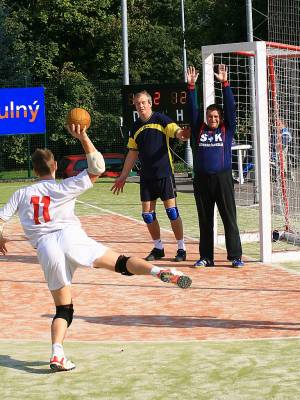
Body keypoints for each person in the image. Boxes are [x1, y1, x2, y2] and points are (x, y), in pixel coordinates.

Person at [0, 124, 192, 372]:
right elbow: (98, 167)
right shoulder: (63, 186)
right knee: (121, 263)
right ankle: (159, 272)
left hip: (46, 249)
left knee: (63, 308)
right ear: (55, 166)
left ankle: (57, 354)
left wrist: (1, 237)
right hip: (71, 239)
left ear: (35, 169)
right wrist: (83, 136)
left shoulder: (21, 193)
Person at [111, 90, 191, 262]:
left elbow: (176, 132)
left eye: (143, 102)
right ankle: (158, 247)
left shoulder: (161, 119)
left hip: (164, 174)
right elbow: (132, 153)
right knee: (147, 215)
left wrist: (182, 135)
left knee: (172, 212)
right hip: (146, 177)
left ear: (150, 103)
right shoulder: (135, 127)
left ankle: (181, 248)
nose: (140, 106)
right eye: (137, 103)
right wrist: (123, 176)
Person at [186, 64, 244, 268]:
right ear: (206, 118)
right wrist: (191, 87)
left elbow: (230, 108)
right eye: (210, 116)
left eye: (216, 117)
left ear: (220, 119)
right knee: (205, 220)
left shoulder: (227, 129)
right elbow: (191, 110)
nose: (213, 119)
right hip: (202, 180)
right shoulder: (198, 129)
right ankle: (206, 257)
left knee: (229, 217)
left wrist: (225, 84)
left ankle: (235, 256)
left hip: (223, 178)